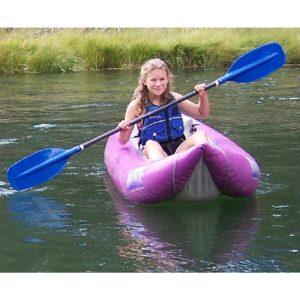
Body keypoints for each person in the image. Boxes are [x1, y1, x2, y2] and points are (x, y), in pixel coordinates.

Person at [117, 58, 210, 160]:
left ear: (167, 79)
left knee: (200, 135)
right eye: (153, 80)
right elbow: (123, 140)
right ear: (144, 81)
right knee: (151, 144)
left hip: (179, 149)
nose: (158, 84)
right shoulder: (136, 105)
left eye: (162, 79)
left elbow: (202, 113)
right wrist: (123, 130)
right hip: (155, 152)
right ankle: (164, 168)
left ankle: (205, 164)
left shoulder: (175, 98)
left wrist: (203, 96)